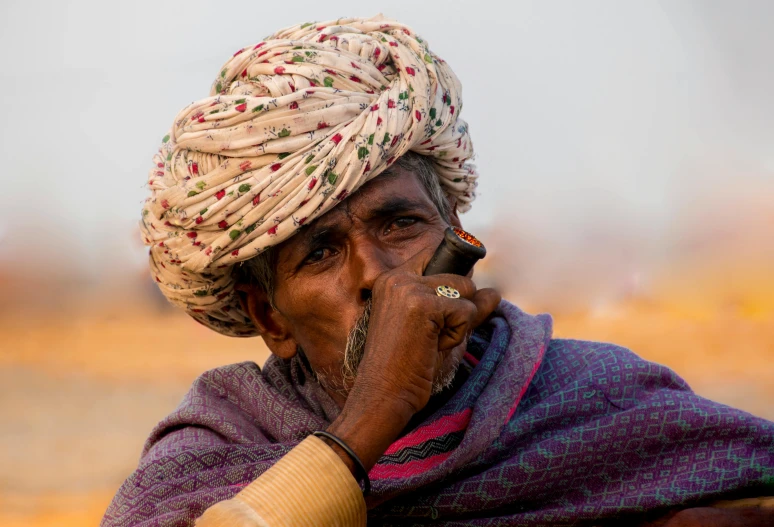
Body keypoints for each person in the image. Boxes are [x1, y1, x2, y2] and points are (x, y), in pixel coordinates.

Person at [103, 15, 774, 527]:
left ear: (456, 235)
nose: (374, 273)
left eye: (400, 224)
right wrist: (374, 416)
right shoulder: (217, 450)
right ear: (269, 317)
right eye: (320, 253)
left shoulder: (600, 401)